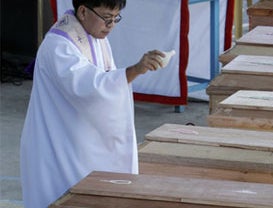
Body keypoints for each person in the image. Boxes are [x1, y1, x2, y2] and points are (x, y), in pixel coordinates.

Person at [20, 0, 165, 207]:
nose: (111, 24)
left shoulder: (96, 36)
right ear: (83, 11)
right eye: (107, 17)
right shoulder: (59, 45)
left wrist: (126, 75)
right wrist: (134, 70)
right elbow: (88, 87)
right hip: (56, 143)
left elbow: (104, 85)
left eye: (116, 18)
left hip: (77, 138)